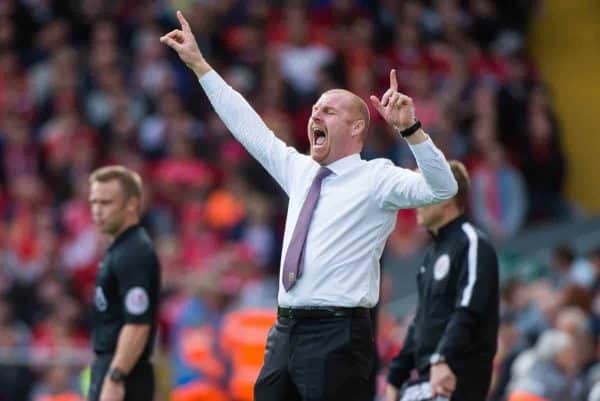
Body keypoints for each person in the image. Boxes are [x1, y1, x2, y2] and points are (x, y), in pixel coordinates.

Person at [161, 11, 458, 401]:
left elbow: (442, 188)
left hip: (340, 332)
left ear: (356, 128)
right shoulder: (299, 171)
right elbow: (248, 126)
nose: (315, 114)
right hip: (286, 328)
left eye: (329, 111)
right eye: (315, 109)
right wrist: (201, 66)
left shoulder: (377, 177)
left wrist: (411, 131)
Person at [385, 161, 499, 401]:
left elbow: (469, 309)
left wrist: (443, 358)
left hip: (454, 379)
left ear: (446, 195)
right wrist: (396, 377)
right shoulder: (432, 253)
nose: (415, 200)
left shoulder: (472, 243)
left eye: (423, 190)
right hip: (426, 381)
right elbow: (421, 320)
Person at [88, 166, 161, 401]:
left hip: (126, 373)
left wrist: (116, 376)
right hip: (112, 365)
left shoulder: (133, 253)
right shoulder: (120, 249)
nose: (97, 211)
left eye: (106, 203)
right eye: (94, 202)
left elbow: (138, 323)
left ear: (131, 204)